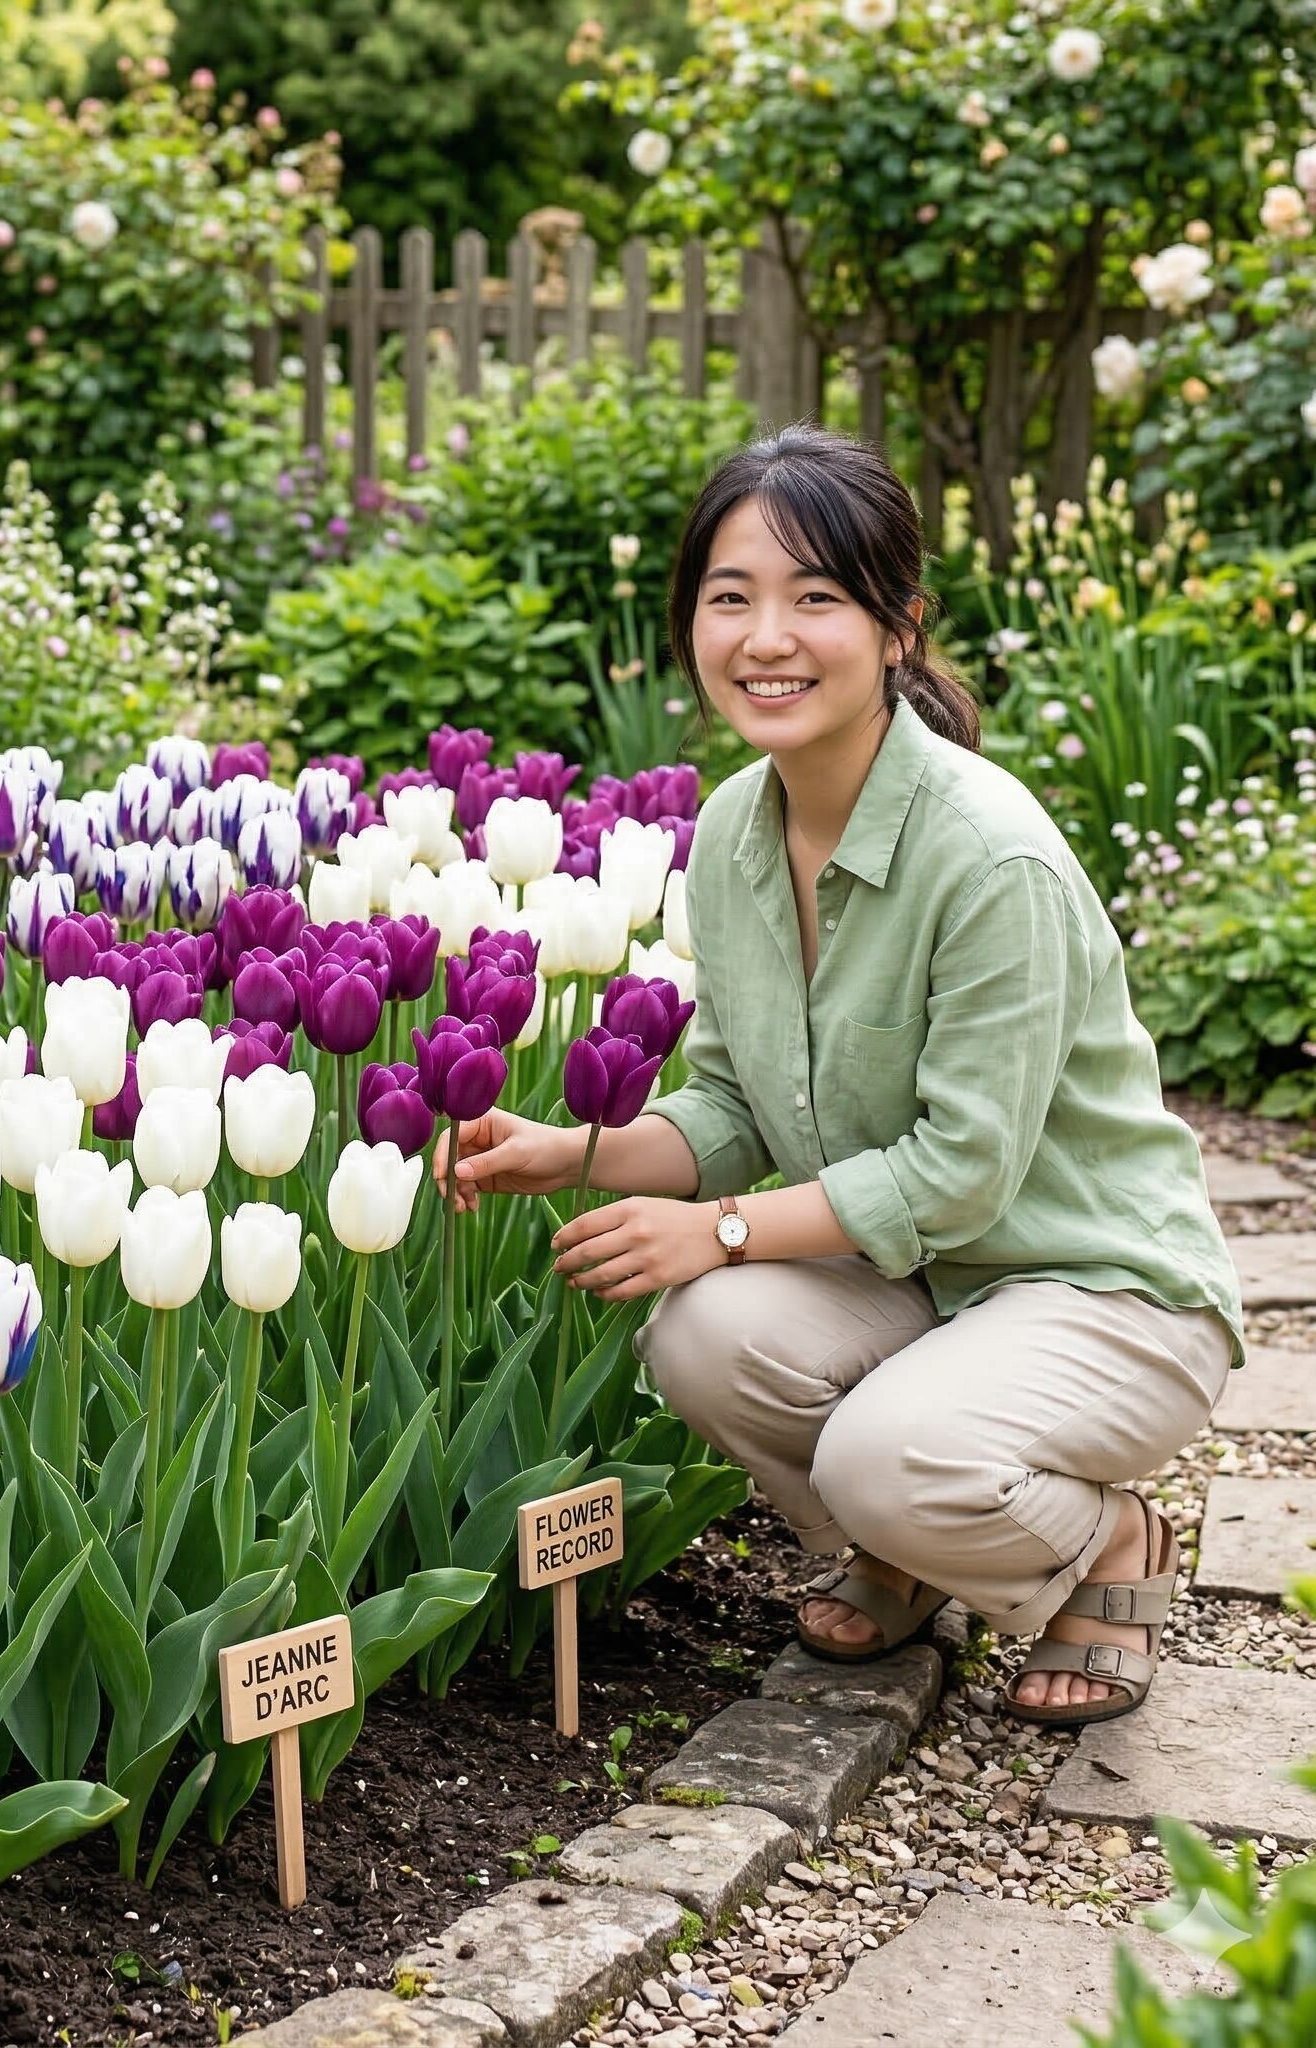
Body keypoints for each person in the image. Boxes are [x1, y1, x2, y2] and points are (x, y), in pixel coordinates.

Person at [440, 425, 1243, 1727]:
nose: (768, 636)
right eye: (731, 598)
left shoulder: (989, 860)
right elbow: (737, 1107)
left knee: (883, 1450)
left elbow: (962, 1172)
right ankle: (916, 1553)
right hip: (926, 1283)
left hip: (1102, 1287)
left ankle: (1099, 1551)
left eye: (817, 597)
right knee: (701, 1332)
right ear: (688, 624)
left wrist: (720, 1227)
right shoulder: (732, 834)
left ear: (899, 627)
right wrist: (570, 1148)